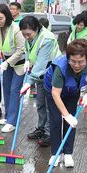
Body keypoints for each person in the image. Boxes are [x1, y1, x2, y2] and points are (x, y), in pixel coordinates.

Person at [44, 39, 87, 167]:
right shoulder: (60, 68)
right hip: (53, 91)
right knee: (56, 121)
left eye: (81, 62)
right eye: (73, 61)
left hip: (73, 91)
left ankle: (68, 153)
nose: (77, 65)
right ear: (68, 58)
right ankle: (56, 153)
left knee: (71, 123)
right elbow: (55, 94)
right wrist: (66, 115)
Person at [20, 15, 62, 147]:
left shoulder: (47, 38)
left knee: (50, 105)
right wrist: (27, 60)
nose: (26, 37)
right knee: (40, 103)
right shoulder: (30, 36)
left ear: (36, 29)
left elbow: (41, 63)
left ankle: (51, 133)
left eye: (28, 34)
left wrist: (28, 82)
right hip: (40, 74)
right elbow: (29, 49)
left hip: (52, 72)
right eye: (24, 34)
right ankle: (41, 128)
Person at [0, 4, 26, 133]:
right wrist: (0, 57)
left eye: (1, 18)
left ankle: (12, 121)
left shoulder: (16, 29)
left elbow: (21, 50)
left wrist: (7, 62)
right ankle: (7, 116)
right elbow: (0, 46)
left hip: (19, 63)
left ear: (7, 16)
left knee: (14, 90)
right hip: (6, 62)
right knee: (5, 88)